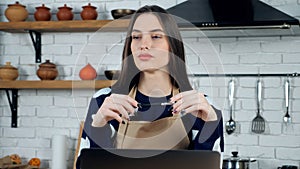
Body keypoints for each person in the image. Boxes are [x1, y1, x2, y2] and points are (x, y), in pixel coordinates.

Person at [76, 5, 224, 169]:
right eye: (136, 37)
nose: (144, 44)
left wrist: (211, 124)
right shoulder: (104, 101)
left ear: (172, 45)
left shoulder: (201, 107)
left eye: (155, 36)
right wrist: (97, 126)